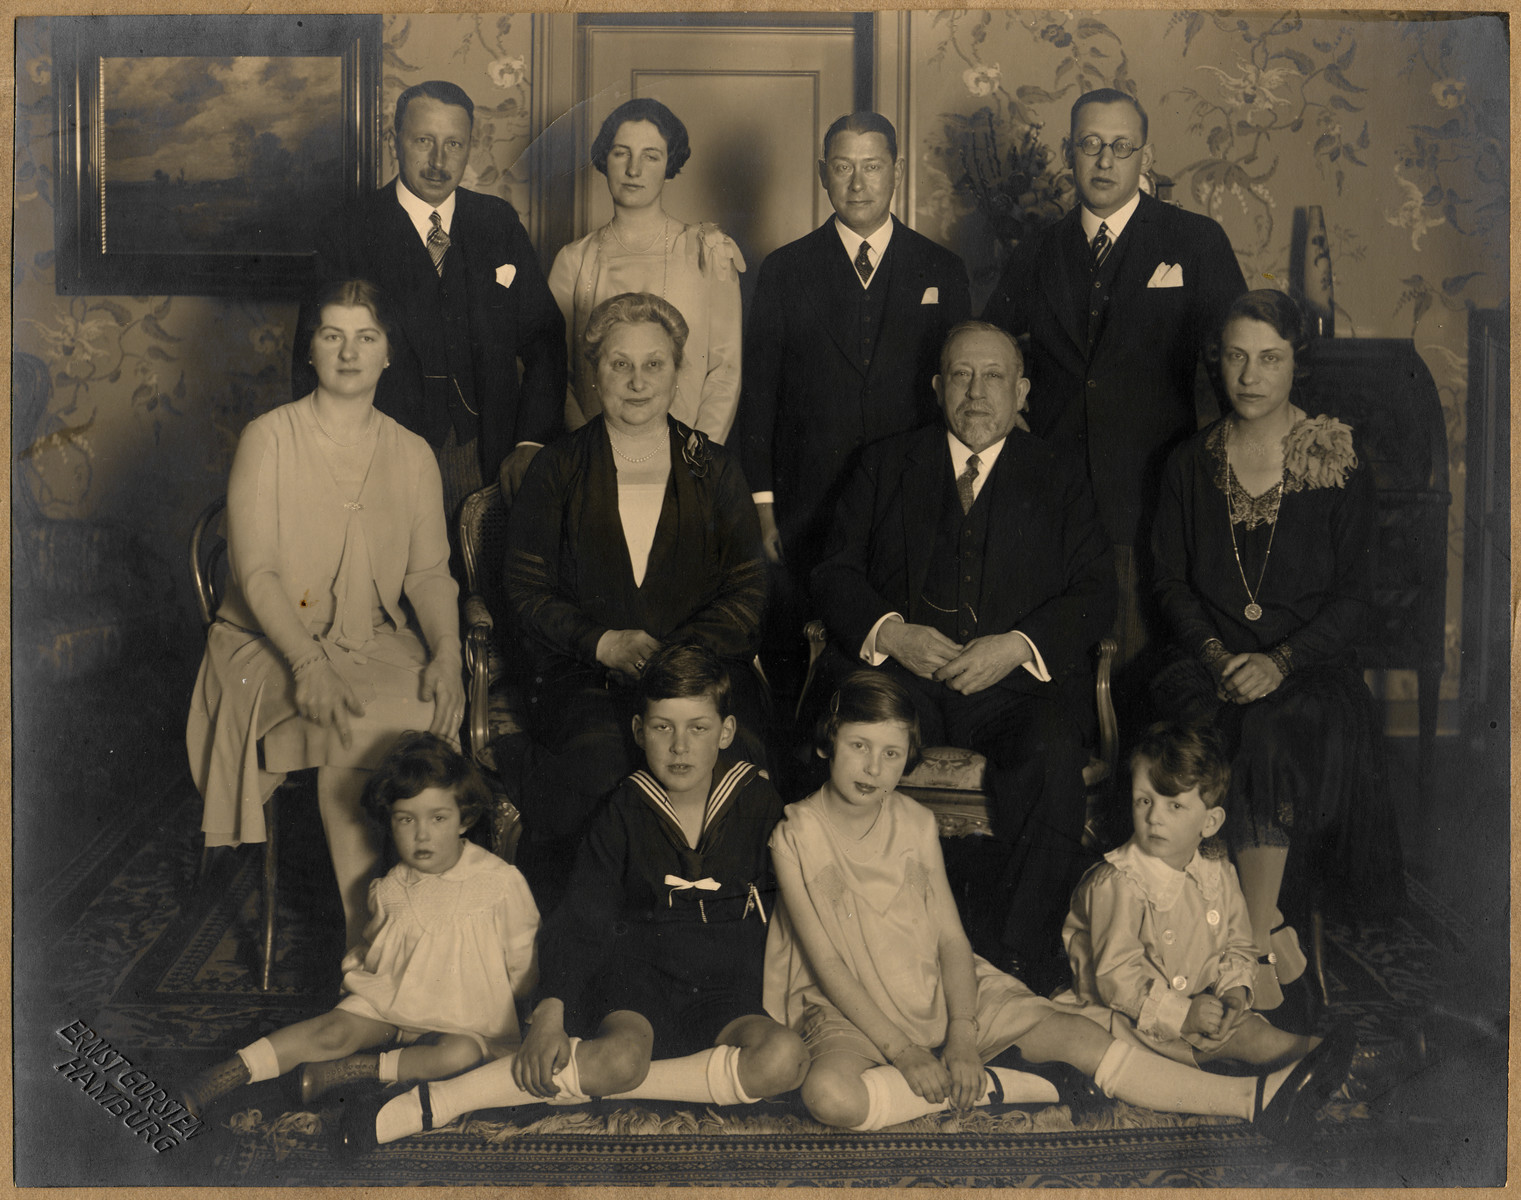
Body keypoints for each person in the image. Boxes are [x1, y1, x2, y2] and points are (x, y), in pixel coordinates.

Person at [762, 671, 1354, 1138]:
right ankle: (1012, 1083)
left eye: (892, 754)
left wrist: (962, 1038)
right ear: (827, 743)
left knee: (1082, 1036)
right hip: (851, 1008)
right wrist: (905, 1052)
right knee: (829, 1096)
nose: (874, 767)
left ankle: (1250, 1101)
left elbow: (949, 940)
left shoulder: (914, 821)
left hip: (939, 989)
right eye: (858, 746)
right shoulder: (795, 834)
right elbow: (831, 966)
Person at [341, 645, 807, 1152]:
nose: (679, 747)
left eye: (697, 728)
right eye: (662, 727)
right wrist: (548, 1014)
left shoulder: (757, 801)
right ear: (637, 730)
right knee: (621, 1059)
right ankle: (440, 1101)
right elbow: (583, 916)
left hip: (721, 988)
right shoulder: (624, 808)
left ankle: (597, 1082)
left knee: (785, 1059)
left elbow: (799, 908)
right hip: (637, 980)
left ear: (727, 732)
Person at [810, 320, 1114, 990]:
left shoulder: (1058, 473)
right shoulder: (884, 464)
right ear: (936, 386)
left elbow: (1095, 591)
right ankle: (861, 952)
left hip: (1013, 691)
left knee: (1050, 753)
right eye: (961, 375)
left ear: (1023, 391)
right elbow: (833, 573)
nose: (976, 393)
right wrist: (892, 633)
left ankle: (1017, 957)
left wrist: (1015, 647)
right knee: (853, 741)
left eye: (994, 376)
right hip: (903, 686)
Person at [1150, 289, 1404, 1027]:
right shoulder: (1186, 464)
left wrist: (1280, 662)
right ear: (1216, 363)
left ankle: (1250, 939)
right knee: (1198, 724)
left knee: (1267, 731)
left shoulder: (1337, 458)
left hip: (1309, 672)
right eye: (1235, 356)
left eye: (1269, 358)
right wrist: (1214, 651)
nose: (1249, 375)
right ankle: (1266, 941)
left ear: (1297, 364)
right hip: (1204, 660)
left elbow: (1355, 598)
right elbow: (1168, 580)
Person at [187, 279, 464, 950]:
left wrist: (448, 654)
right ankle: (366, 946)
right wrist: (307, 661)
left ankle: (431, 935)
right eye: (331, 335)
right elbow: (257, 574)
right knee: (354, 721)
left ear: (389, 353)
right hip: (266, 643)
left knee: (434, 715)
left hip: (372, 639)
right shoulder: (269, 439)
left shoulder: (413, 452)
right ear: (309, 349)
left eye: (366, 337)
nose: (349, 352)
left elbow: (429, 573)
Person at [981, 88, 1247, 683]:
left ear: (1145, 157)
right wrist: (1011, 415)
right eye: (1091, 145)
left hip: (1153, 489)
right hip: (1053, 493)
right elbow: (985, 344)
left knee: (1142, 659)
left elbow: (1235, 361)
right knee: (1060, 661)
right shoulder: (1038, 251)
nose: (1105, 160)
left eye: (1121, 147)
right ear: (1068, 153)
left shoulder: (1195, 241)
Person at [503, 292, 767, 881]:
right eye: (620, 364)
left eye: (655, 364)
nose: (638, 381)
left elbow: (748, 593)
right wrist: (603, 643)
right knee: (599, 764)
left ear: (679, 373)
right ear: (593, 374)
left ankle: (712, 931)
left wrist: (675, 661)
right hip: (586, 680)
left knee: (732, 760)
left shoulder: (715, 468)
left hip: (703, 681)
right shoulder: (558, 467)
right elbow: (525, 591)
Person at [178, 732, 538, 1118]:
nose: (422, 834)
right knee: (333, 1030)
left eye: (438, 818)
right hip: (392, 1006)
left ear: (464, 820)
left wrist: (524, 1013)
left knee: (460, 1056)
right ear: (390, 821)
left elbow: (523, 958)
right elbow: (377, 953)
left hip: (466, 1021)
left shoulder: (498, 882)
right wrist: (355, 999)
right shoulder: (390, 889)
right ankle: (228, 1074)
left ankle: (352, 1070)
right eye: (406, 819)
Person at [738, 111, 970, 697]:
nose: (858, 182)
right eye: (843, 167)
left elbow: (962, 396)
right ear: (823, 174)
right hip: (806, 500)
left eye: (872, 167)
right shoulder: (786, 270)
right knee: (802, 660)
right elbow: (759, 392)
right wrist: (763, 505)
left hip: (909, 499)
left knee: (895, 661)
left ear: (896, 171)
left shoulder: (941, 268)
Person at [293, 80, 566, 518]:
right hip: (378, 462)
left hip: (491, 461)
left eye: (454, 144)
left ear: (469, 146)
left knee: (484, 584)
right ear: (393, 140)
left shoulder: (497, 223)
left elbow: (545, 337)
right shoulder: (348, 230)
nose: (439, 161)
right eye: (424, 140)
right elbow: (312, 357)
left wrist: (531, 440)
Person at [1056, 721, 1324, 1067]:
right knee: (1251, 1044)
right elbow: (1117, 979)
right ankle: (1316, 1060)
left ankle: (1321, 1058)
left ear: (1210, 823)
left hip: (1197, 1009)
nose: (1154, 817)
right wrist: (1182, 1014)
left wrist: (1233, 993)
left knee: (1253, 1033)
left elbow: (1239, 944)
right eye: (1143, 801)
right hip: (1127, 1016)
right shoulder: (1118, 883)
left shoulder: (1217, 871)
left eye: (1175, 806)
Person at [548, 98, 745, 444]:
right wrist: (586, 451)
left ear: (669, 165)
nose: (634, 170)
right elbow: (553, 374)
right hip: (593, 457)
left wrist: (699, 457)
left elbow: (725, 371)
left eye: (651, 156)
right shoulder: (573, 260)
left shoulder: (708, 252)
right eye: (621, 153)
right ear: (604, 159)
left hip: (687, 458)